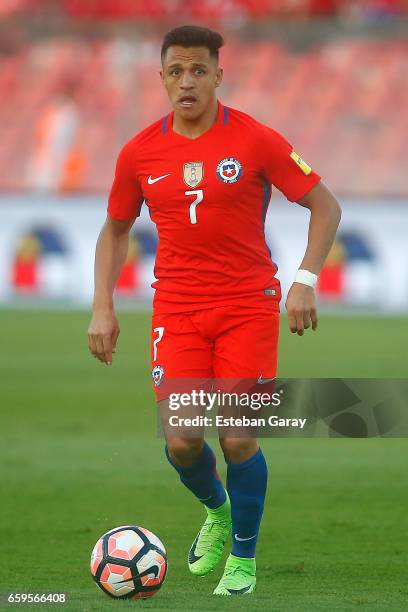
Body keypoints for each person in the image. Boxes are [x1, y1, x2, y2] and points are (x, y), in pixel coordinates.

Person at [88, 24, 341, 596]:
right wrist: (103, 305)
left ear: (218, 75)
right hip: (176, 308)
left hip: (247, 305)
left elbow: (325, 206)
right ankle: (219, 510)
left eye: (198, 70)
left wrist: (304, 280)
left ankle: (243, 560)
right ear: (161, 78)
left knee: (238, 437)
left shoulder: (254, 140)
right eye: (176, 71)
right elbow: (115, 229)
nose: (187, 81)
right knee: (181, 439)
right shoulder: (139, 152)